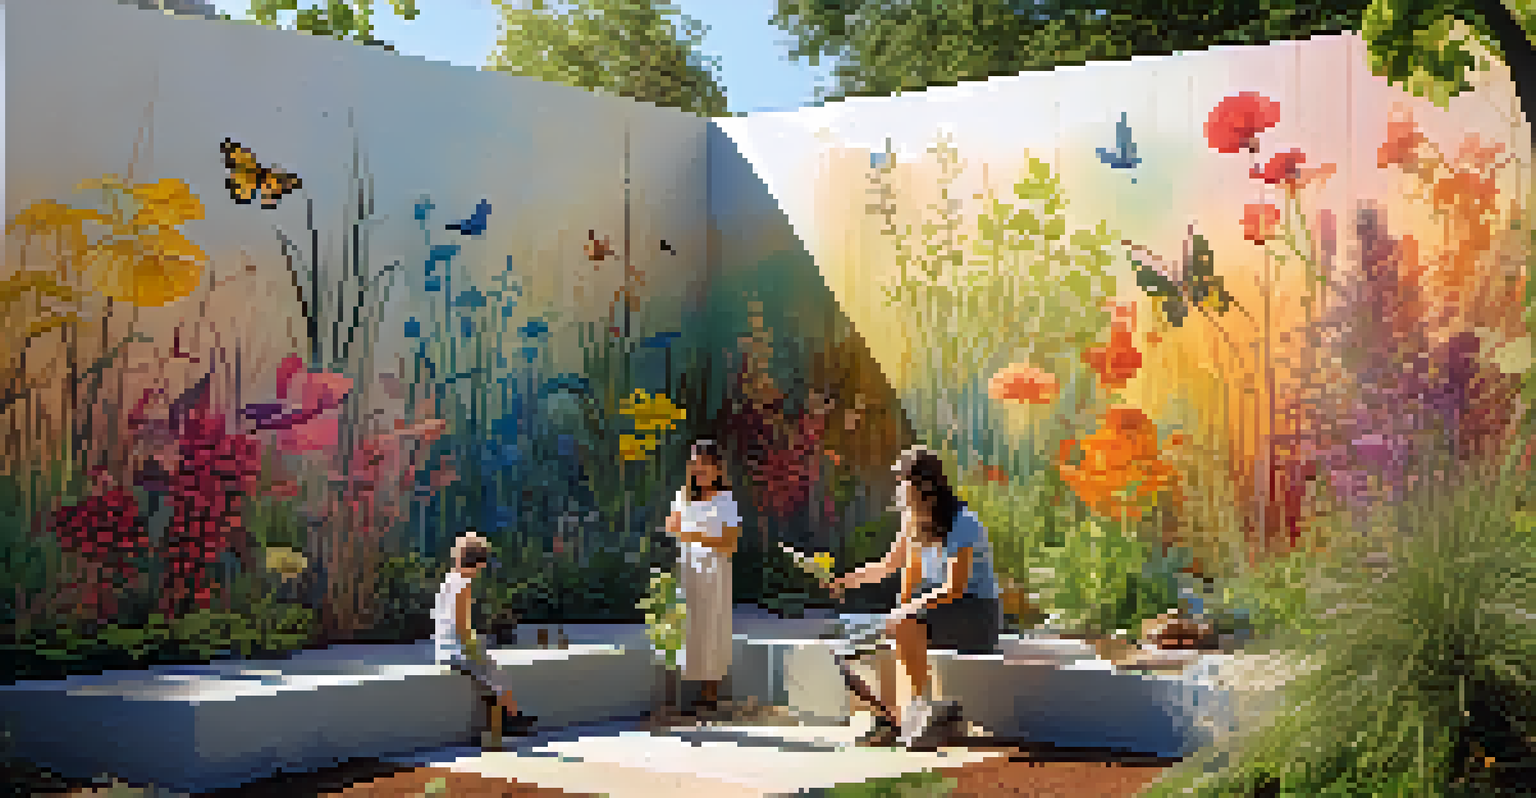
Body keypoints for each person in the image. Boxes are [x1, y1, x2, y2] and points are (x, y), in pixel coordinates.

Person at [824, 446, 1002, 748]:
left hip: (975, 613)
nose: (897, 488)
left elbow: (954, 588)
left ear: (924, 486)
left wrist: (904, 613)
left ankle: (922, 710)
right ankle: (890, 720)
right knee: (867, 641)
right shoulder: (913, 522)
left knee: (902, 622)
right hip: (938, 610)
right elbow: (891, 566)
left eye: (902, 480)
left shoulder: (963, 524)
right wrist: (845, 581)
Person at [432, 531, 533, 750]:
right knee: (497, 673)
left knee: (490, 672)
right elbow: (462, 624)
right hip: (456, 649)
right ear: (476, 562)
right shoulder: (463, 585)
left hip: (443, 647)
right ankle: (514, 718)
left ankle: (511, 717)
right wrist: (475, 648)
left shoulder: (449, 579)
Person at [665, 439, 742, 714]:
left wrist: (694, 535)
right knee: (687, 628)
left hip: (715, 571)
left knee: (712, 628)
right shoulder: (683, 497)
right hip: (688, 569)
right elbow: (671, 528)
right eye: (695, 466)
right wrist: (689, 534)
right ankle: (680, 696)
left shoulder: (725, 500)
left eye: (705, 466)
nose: (700, 471)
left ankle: (709, 695)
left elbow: (730, 543)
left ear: (717, 469)